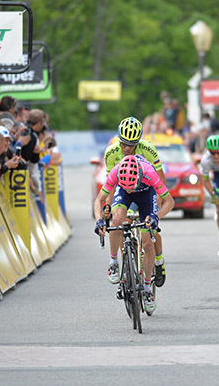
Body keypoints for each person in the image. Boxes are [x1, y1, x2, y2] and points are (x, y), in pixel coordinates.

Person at [93, 155, 174, 314]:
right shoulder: (116, 173)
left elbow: (170, 202)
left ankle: (146, 289)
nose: (130, 188)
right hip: (123, 195)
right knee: (116, 221)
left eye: (132, 186)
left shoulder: (149, 172)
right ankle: (114, 262)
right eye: (126, 185)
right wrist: (99, 221)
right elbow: (98, 200)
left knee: (147, 243)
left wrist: (156, 217)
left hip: (146, 195)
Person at [103, 117, 168, 287]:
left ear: (138, 142)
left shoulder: (148, 150)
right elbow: (109, 186)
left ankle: (159, 263)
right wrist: (107, 207)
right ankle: (118, 263)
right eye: (123, 143)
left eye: (131, 145)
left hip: (147, 190)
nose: (126, 148)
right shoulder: (111, 153)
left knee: (148, 238)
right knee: (118, 221)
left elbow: (160, 180)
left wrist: (156, 210)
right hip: (124, 190)